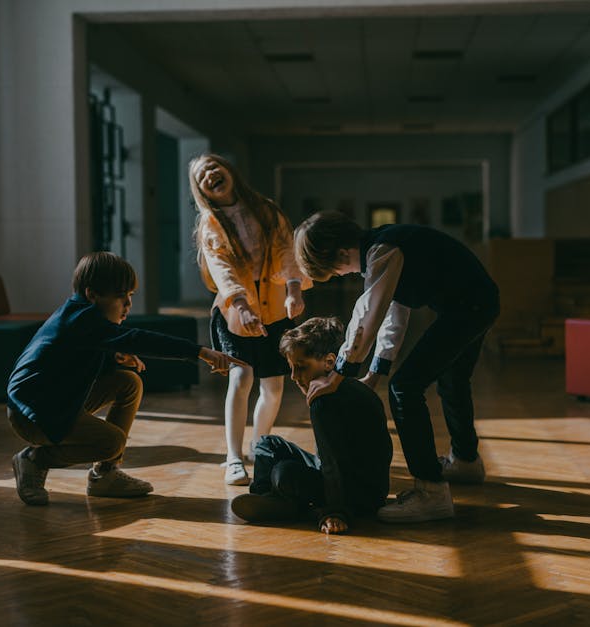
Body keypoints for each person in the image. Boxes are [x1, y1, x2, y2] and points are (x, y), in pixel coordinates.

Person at [293, 211, 499, 523]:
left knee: (405, 387)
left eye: (335, 272)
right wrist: (375, 372)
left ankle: (431, 491)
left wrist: (340, 374)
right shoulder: (386, 247)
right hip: (477, 303)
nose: (342, 275)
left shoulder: (383, 250)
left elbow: (368, 313)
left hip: (468, 307)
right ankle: (466, 461)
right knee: (452, 379)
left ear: (340, 253)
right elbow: (394, 314)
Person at [7, 251, 245, 506]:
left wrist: (113, 357)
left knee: (128, 383)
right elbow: (137, 338)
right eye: (121, 297)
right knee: (112, 442)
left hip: (56, 400)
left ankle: (104, 476)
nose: (128, 305)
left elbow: (72, 358)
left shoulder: (81, 315)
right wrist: (199, 351)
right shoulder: (81, 319)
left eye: (130, 296)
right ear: (92, 295)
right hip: (33, 415)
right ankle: (34, 460)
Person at [189, 153, 311, 485]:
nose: (210, 174)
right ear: (202, 191)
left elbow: (287, 250)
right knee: (241, 378)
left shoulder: (266, 210)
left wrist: (294, 288)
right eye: (202, 176)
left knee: (273, 387)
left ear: (229, 171)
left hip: (274, 310)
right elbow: (222, 270)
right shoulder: (210, 223)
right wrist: (240, 305)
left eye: (214, 167)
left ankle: (261, 447)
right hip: (234, 311)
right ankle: (233, 457)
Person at [230, 317, 392, 534]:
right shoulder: (349, 386)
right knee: (267, 443)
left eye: (301, 367)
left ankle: (283, 504)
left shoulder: (323, 401)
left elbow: (332, 461)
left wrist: (335, 512)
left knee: (283, 472)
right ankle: (266, 499)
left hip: (357, 494)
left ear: (329, 362)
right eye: (291, 368)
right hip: (350, 479)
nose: (295, 377)